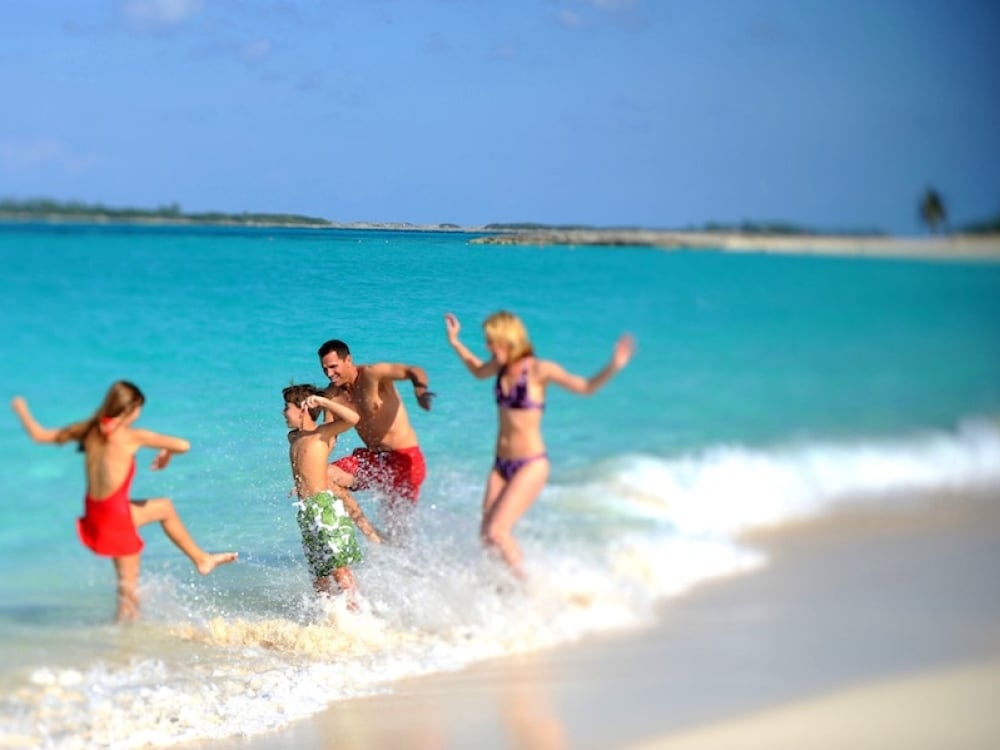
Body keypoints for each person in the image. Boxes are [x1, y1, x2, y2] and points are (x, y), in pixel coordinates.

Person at [10, 381, 237, 622]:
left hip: (97, 513)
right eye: (139, 409)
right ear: (132, 408)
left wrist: (21, 408)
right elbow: (184, 444)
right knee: (161, 516)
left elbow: (39, 435)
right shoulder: (131, 436)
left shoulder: (88, 429)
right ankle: (201, 560)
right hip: (116, 517)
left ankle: (121, 647)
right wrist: (166, 452)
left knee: (127, 595)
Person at [443, 311, 635, 579]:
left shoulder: (539, 370)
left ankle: (531, 593)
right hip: (500, 466)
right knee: (486, 537)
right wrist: (455, 342)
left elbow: (585, 387)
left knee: (497, 531)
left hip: (530, 464)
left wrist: (615, 365)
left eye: (491, 341)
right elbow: (476, 370)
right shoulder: (498, 368)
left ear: (507, 339)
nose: (488, 348)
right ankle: (502, 590)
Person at [317, 339, 433, 531]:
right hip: (373, 459)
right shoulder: (331, 395)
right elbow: (328, 436)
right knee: (324, 475)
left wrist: (420, 391)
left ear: (348, 360)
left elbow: (414, 371)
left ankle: (400, 556)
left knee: (397, 528)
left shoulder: (373, 374)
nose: (329, 374)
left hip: (404, 459)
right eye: (325, 369)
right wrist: (309, 469)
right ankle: (367, 533)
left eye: (333, 367)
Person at [282, 384, 381, 598]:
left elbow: (353, 419)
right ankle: (329, 617)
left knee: (339, 568)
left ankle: (358, 612)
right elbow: (306, 465)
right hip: (306, 511)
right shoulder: (293, 437)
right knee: (319, 574)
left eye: (287, 407)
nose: (283, 412)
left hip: (324, 507)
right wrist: (301, 482)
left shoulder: (322, 434)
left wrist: (324, 402)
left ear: (302, 408)